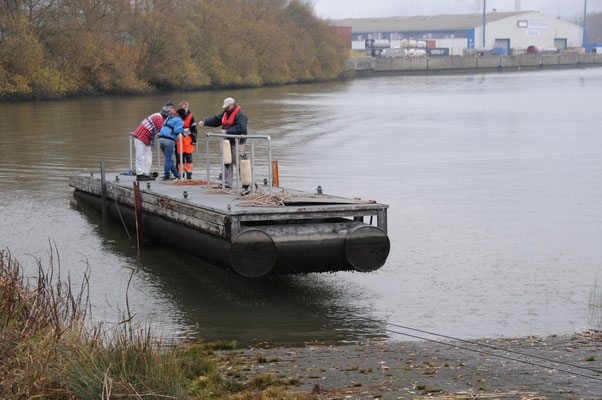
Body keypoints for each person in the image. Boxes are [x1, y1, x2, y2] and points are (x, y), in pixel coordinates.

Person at [199, 97, 247, 188]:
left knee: (239, 162)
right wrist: (205, 122)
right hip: (227, 142)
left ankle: (246, 183)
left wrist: (227, 131)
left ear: (232, 105)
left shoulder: (240, 115)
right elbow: (216, 120)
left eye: (227, 107)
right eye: (225, 107)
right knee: (227, 161)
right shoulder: (225, 113)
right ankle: (227, 183)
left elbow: (241, 128)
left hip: (238, 142)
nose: (226, 109)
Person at [132, 107, 170, 181]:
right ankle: (140, 174)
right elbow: (162, 130)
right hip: (140, 136)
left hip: (146, 138)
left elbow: (157, 129)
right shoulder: (158, 117)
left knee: (148, 157)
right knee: (140, 156)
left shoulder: (158, 116)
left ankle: (145, 173)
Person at [157, 106, 184, 180]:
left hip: (161, 139)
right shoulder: (179, 120)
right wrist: (182, 133)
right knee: (168, 159)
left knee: (169, 158)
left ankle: (176, 174)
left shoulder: (169, 118)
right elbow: (178, 130)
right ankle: (167, 176)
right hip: (169, 140)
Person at [175, 101, 198, 180]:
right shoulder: (176, 116)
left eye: (186, 107)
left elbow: (194, 129)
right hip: (179, 140)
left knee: (189, 158)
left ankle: (189, 174)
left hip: (188, 140)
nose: (184, 109)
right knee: (179, 157)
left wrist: (194, 140)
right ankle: (180, 174)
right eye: (183, 107)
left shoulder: (191, 117)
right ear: (180, 108)